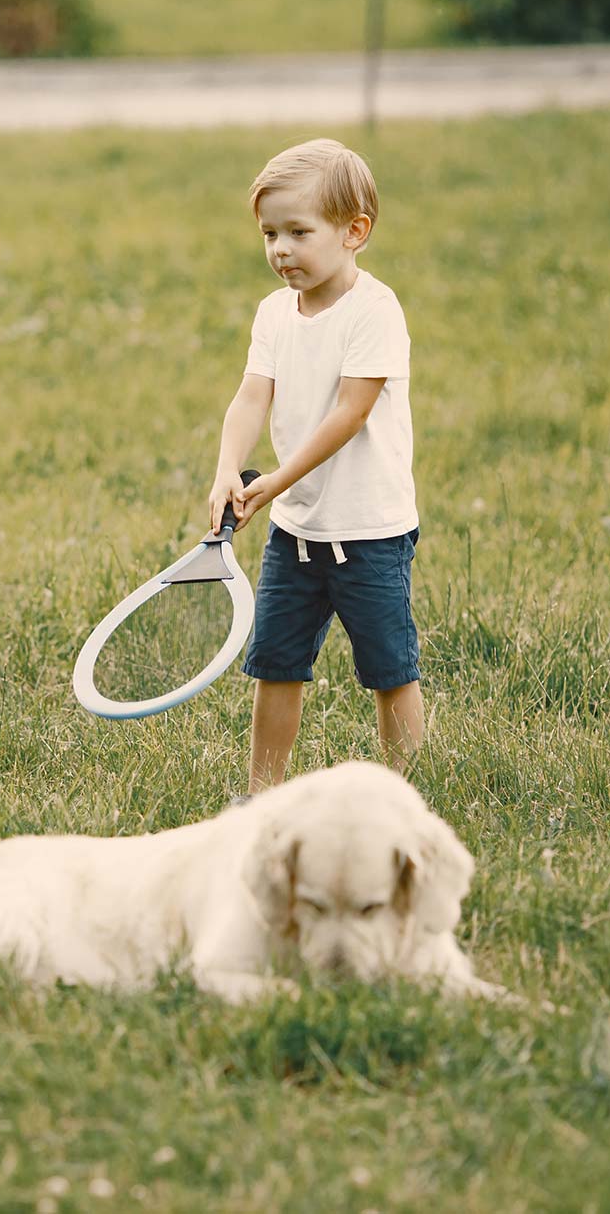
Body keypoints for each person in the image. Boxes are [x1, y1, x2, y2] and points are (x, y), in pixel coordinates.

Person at [206, 140, 423, 794]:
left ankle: (402, 794)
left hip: (370, 530)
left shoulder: (374, 311)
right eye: (270, 233)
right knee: (276, 663)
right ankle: (262, 796)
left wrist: (275, 481)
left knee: (390, 670)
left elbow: (349, 412)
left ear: (355, 231)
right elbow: (251, 396)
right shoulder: (275, 313)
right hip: (296, 534)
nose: (280, 249)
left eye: (299, 232)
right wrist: (228, 470)